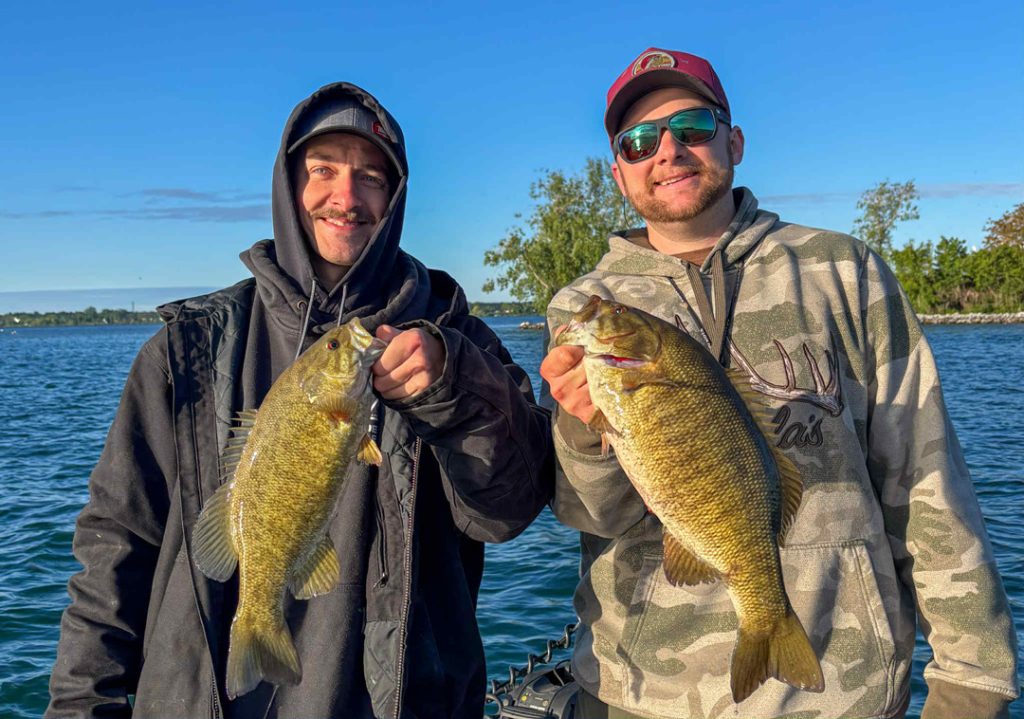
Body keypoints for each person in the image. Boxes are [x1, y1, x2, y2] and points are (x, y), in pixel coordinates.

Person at [47, 82, 553, 718]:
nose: (346, 197)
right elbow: (115, 546)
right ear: (288, 186)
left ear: (395, 197)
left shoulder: (460, 340)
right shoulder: (187, 351)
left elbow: (507, 511)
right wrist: (79, 705)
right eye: (323, 171)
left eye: (371, 176)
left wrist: (453, 391)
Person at [540, 48, 1018, 719]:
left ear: (733, 141)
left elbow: (928, 480)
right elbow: (594, 515)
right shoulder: (580, 307)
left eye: (694, 127)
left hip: (845, 689)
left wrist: (972, 679)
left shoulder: (844, 271)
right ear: (619, 173)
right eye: (640, 140)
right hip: (641, 693)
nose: (668, 151)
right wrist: (583, 434)